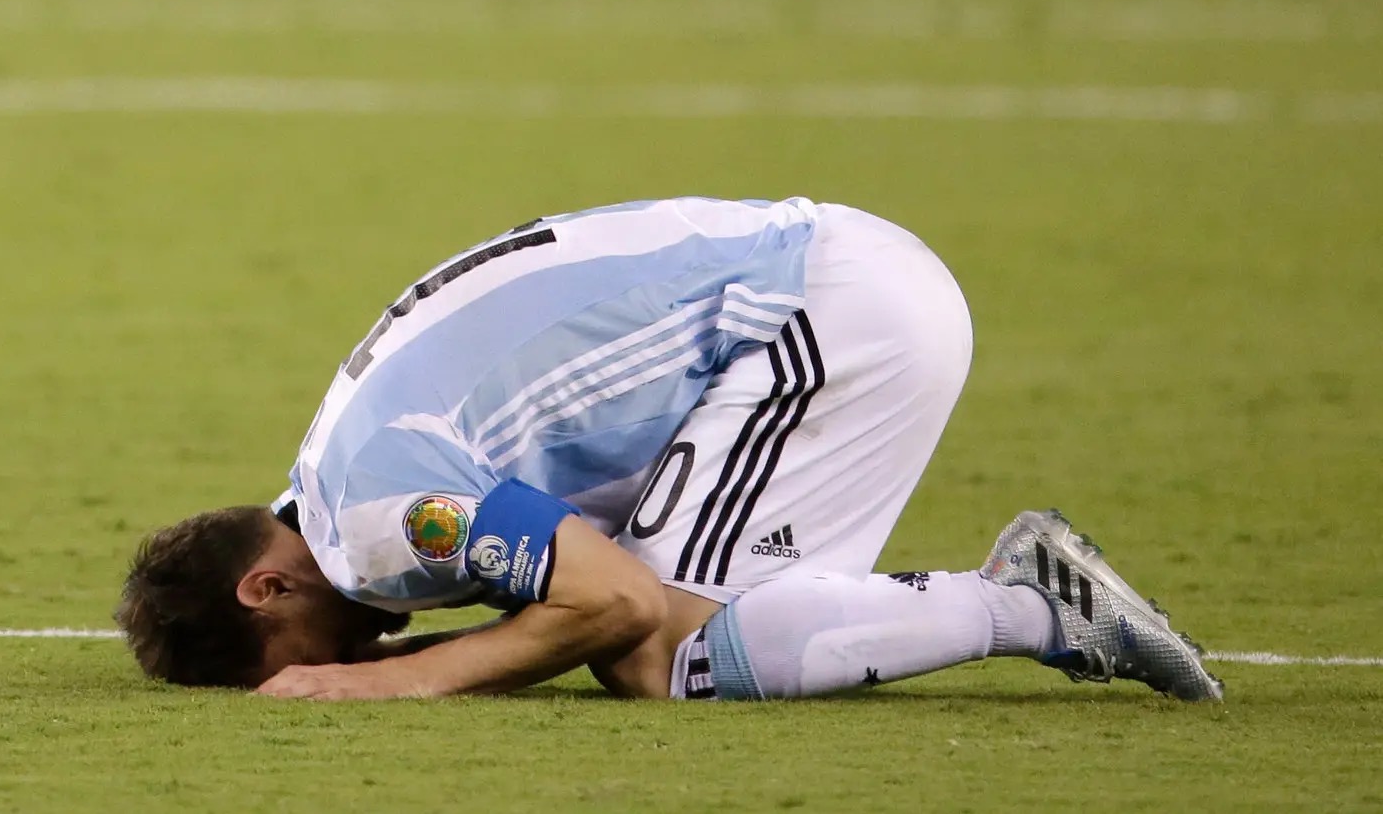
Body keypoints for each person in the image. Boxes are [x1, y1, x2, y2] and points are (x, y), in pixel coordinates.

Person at [116, 197, 1222, 703]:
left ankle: (1028, 604)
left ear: (268, 586)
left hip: (825, 320)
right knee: (647, 613)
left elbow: (618, 605)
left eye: (305, 659)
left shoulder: (372, 527)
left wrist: (398, 685)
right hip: (837, 280)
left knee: (657, 656)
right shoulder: (335, 472)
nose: (335, 663)